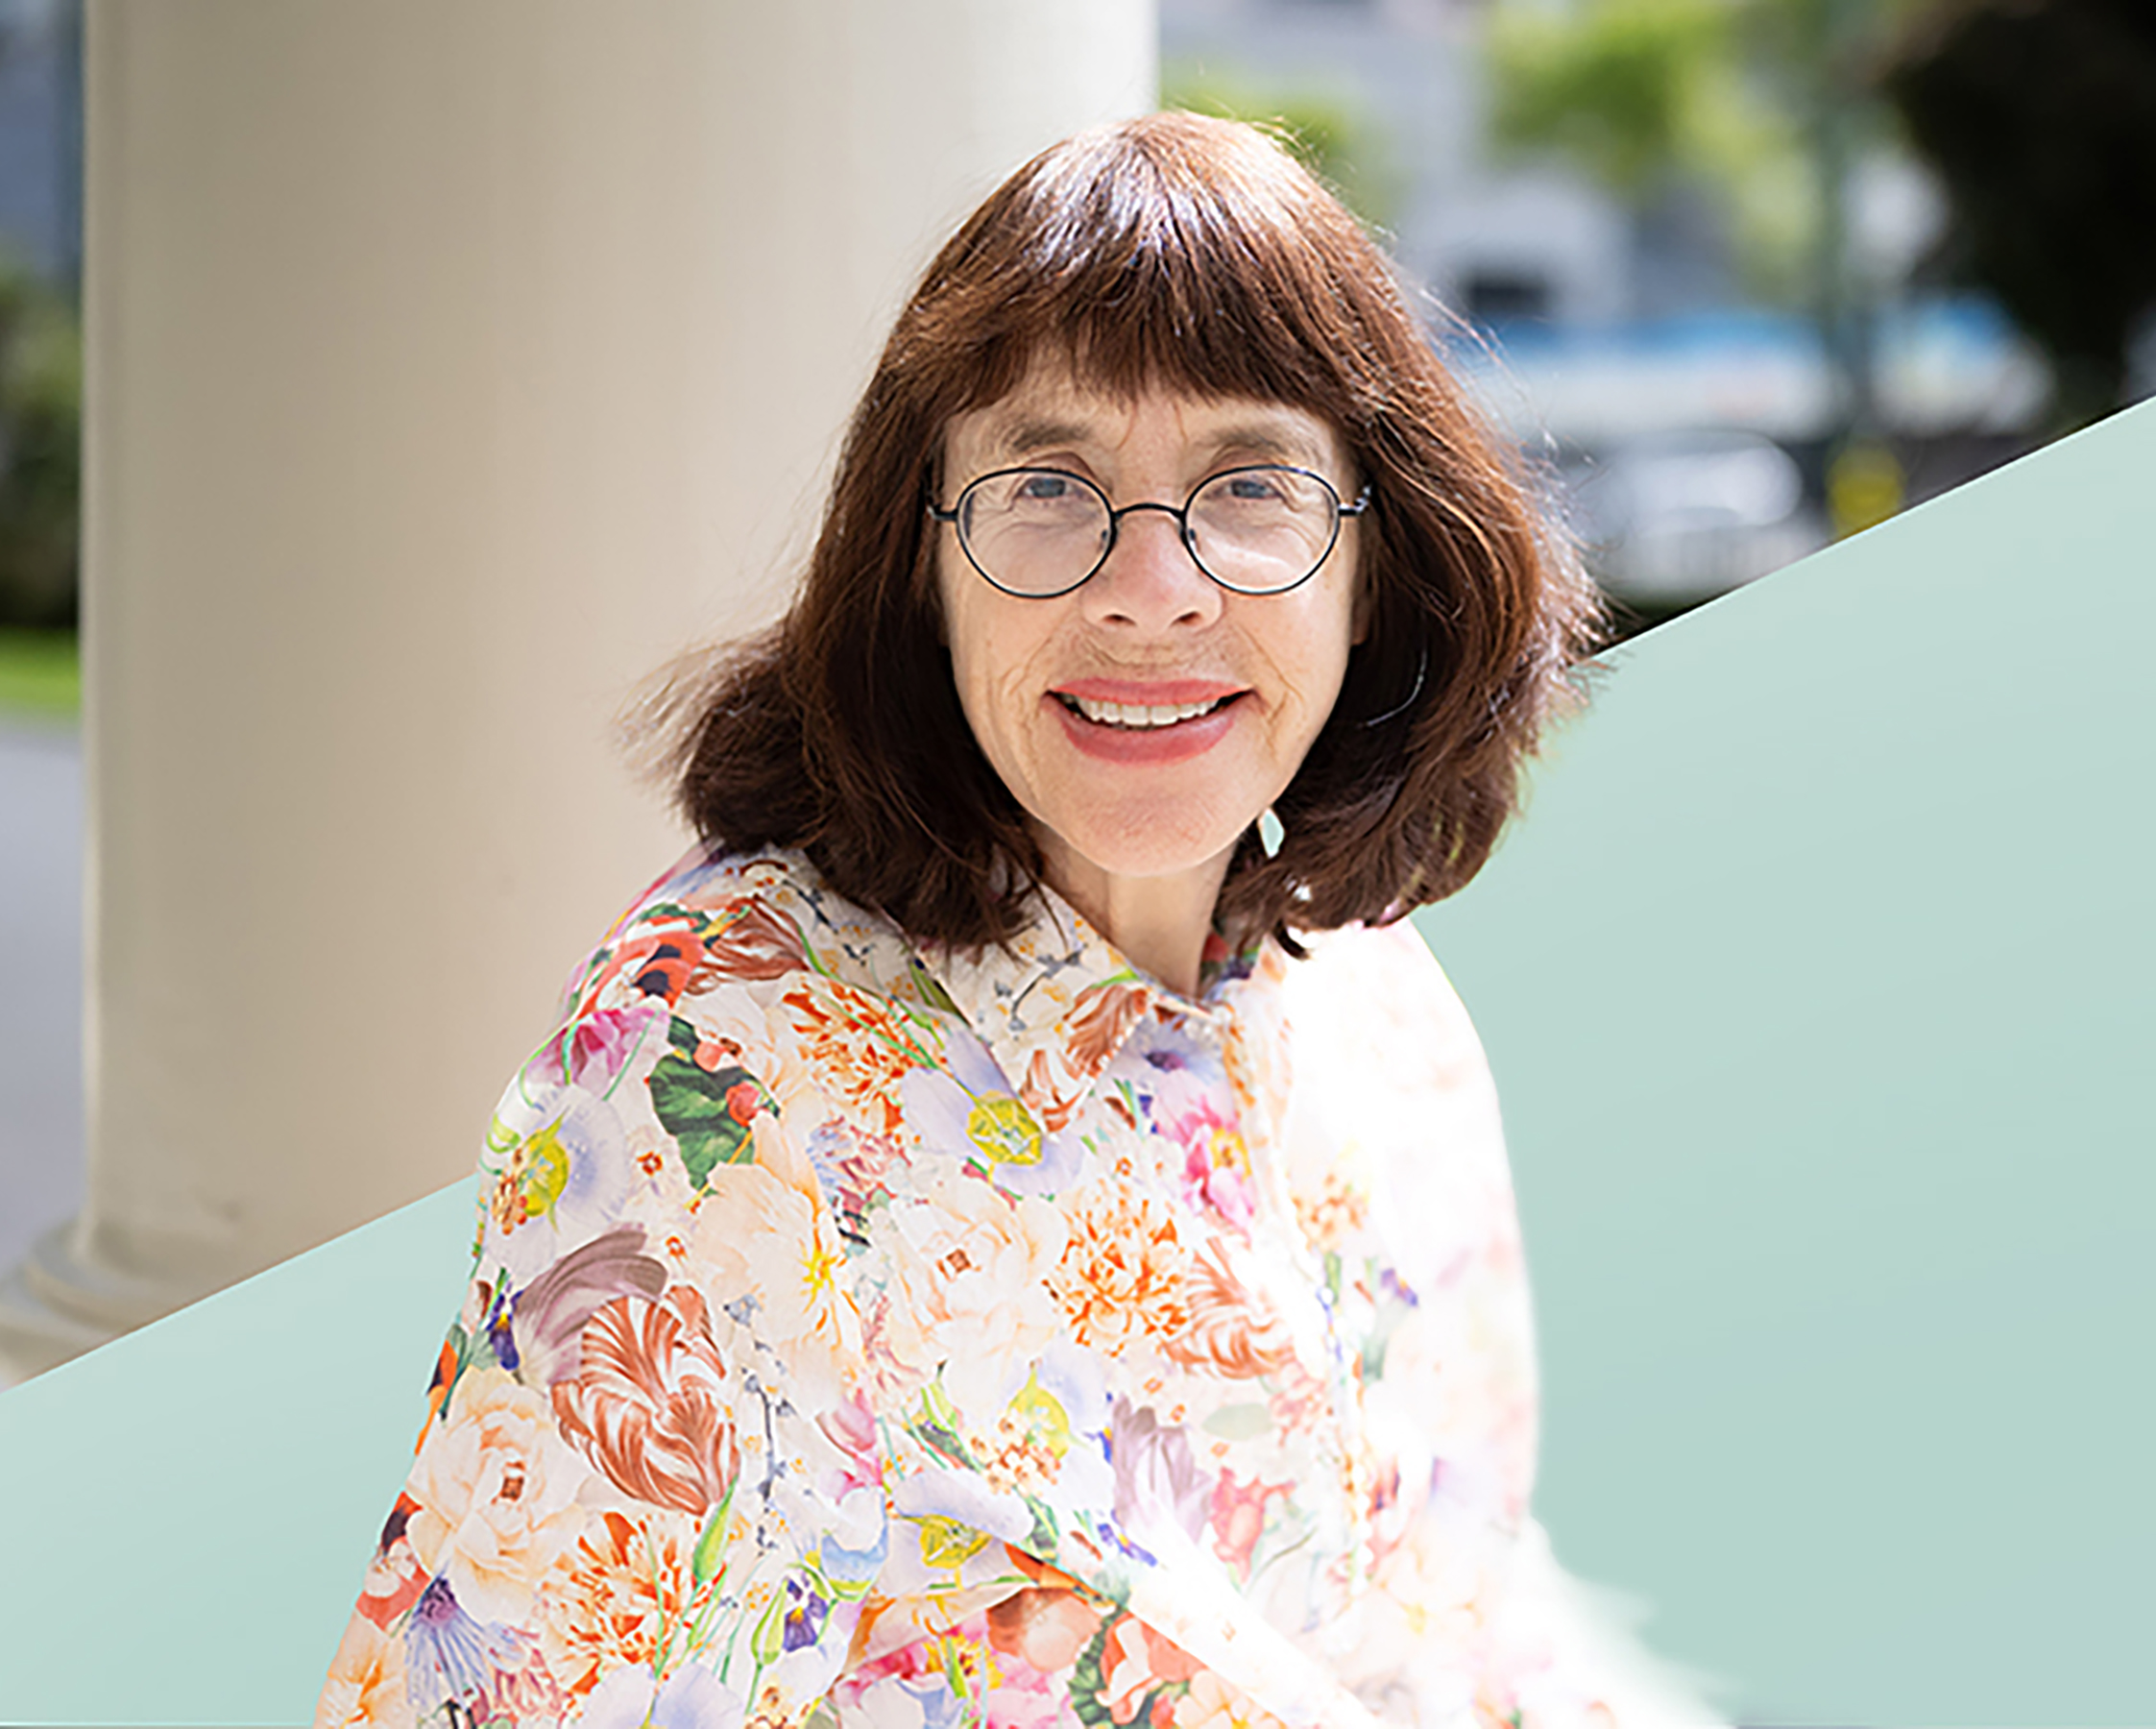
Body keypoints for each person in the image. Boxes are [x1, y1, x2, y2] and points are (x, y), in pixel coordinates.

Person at [313, 112, 1698, 1729]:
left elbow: (1478, 1633)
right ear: (922, 562)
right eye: (1049, 484)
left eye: (1250, 484)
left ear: (1372, 567)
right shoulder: (726, 1067)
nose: (1151, 588)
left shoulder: (1387, 1013)